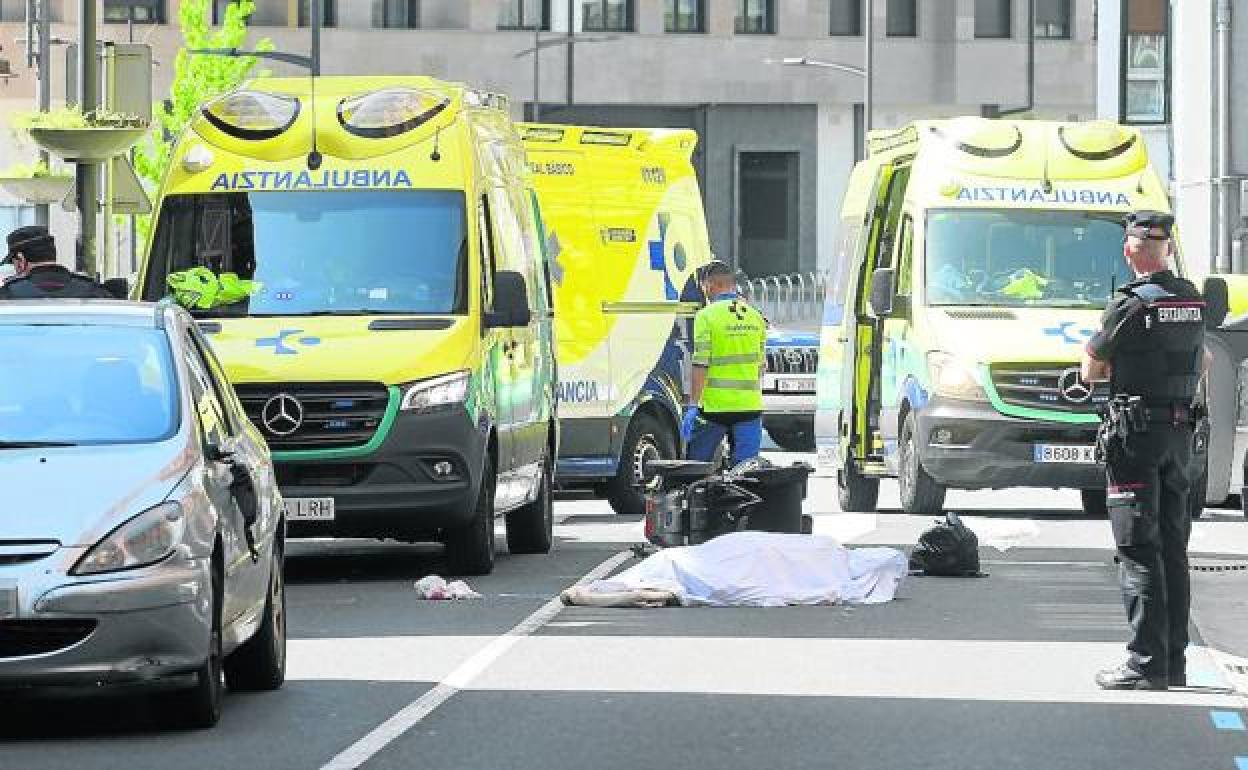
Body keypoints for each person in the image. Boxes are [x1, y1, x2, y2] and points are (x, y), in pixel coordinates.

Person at [1081, 210, 1208, 691]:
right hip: (1180, 435)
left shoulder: (1130, 305)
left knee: (1138, 548)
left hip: (1135, 436)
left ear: (1130, 250)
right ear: (1167, 249)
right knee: (1174, 548)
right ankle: (1174, 660)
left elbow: (1091, 368)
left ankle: (1145, 662)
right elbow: (1204, 361)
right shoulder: (1193, 300)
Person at [682, 260, 768, 466]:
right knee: (747, 472)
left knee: (696, 467)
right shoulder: (755, 316)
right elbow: (761, 366)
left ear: (711, 286)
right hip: (749, 408)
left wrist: (693, 405)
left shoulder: (706, 316)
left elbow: (701, 364)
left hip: (714, 409)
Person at [0, 225, 113, 299]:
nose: (16, 270)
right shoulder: (94, 292)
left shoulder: (7, 296)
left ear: (21, 260)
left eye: (14, 263)